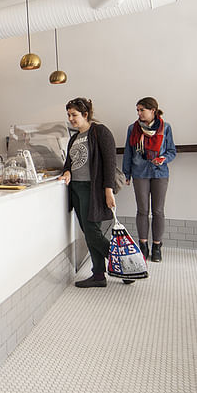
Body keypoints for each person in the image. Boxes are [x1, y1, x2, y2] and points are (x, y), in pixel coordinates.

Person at [59, 98, 116, 288]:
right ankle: (98, 275)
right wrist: (67, 171)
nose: (71, 119)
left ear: (85, 114)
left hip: (93, 190)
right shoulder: (74, 138)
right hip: (76, 189)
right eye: (68, 115)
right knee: (89, 233)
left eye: (74, 115)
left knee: (92, 233)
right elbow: (70, 162)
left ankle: (124, 264)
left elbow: (110, 162)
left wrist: (109, 190)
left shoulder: (99, 132)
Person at [122, 96, 176, 262]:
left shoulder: (165, 128)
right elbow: (128, 152)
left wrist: (163, 159)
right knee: (142, 210)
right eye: (137, 110)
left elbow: (171, 151)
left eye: (142, 110)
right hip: (139, 173)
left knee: (158, 211)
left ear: (153, 110)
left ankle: (157, 246)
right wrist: (127, 173)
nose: (139, 113)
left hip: (160, 173)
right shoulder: (133, 128)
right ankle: (143, 245)